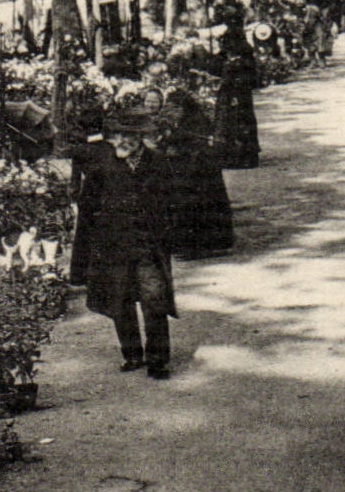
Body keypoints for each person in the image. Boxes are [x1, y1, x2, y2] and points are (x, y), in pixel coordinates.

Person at [71, 111, 179, 379]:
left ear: (141, 138)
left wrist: (169, 234)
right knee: (121, 301)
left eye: (129, 136)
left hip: (147, 247)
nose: (122, 141)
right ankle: (131, 354)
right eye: (118, 135)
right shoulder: (103, 165)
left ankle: (158, 359)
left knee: (154, 299)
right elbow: (87, 207)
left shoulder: (159, 163)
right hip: (114, 247)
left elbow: (174, 203)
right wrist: (87, 250)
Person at [152, 89, 236, 258]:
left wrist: (171, 138)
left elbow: (192, 141)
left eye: (176, 107)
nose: (174, 111)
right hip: (196, 169)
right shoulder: (189, 118)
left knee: (196, 207)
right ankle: (199, 245)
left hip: (199, 170)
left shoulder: (196, 120)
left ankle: (198, 247)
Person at [213, 6, 261, 169]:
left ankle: (237, 155)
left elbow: (232, 61)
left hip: (235, 84)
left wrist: (228, 63)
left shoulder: (234, 39)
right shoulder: (237, 38)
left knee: (235, 119)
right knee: (239, 119)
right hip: (238, 85)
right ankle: (243, 155)